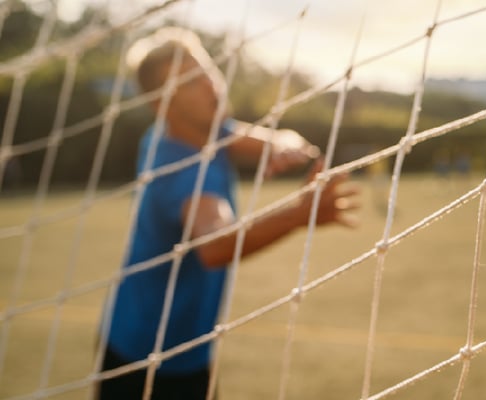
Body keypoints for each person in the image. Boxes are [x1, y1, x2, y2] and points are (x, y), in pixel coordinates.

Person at [97, 27, 360, 399]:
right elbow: (216, 246)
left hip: (186, 347)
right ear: (163, 103)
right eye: (190, 82)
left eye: (207, 70)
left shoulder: (200, 131)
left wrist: (285, 145)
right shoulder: (181, 169)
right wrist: (301, 215)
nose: (210, 85)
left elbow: (271, 138)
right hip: (147, 360)